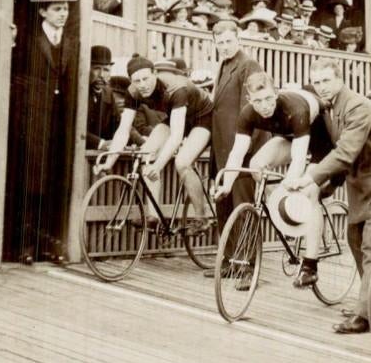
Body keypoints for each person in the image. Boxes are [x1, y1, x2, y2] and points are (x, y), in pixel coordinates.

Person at [284, 58, 371, 334]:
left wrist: (310, 178)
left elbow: (345, 152)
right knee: (355, 239)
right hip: (362, 182)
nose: (322, 87)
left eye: (326, 80)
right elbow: (343, 153)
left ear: (340, 79)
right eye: (317, 82)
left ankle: (364, 316)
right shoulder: (328, 109)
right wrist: (330, 185)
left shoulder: (358, 106)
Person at [217, 74, 333, 289]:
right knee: (256, 164)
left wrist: (291, 188)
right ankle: (281, 212)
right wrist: (227, 184)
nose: (265, 106)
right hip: (291, 137)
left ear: (277, 93)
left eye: (269, 99)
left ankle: (310, 265)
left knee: (309, 192)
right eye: (258, 101)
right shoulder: (248, 113)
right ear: (249, 100)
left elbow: (299, 159)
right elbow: (237, 152)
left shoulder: (295, 107)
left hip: (320, 143)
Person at [95, 55, 216, 233]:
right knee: (146, 154)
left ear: (155, 74)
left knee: (182, 162)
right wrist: (109, 162)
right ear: (131, 81)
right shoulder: (132, 92)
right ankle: (154, 217)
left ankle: (201, 218)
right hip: (175, 117)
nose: (143, 84)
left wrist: (158, 166)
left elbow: (176, 136)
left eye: (146, 78)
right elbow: (123, 129)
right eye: (137, 81)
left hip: (202, 118)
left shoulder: (175, 88)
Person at [9, 0, 80, 264]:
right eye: (57, 9)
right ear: (42, 11)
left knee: (55, 183)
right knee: (31, 182)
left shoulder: (72, 41)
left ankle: (51, 246)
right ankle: (24, 246)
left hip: (60, 125)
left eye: (65, 9)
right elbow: (15, 76)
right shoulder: (27, 38)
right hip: (33, 123)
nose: (63, 14)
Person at [204, 20, 269, 277]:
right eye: (219, 43)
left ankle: (247, 266)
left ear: (238, 39)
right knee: (224, 205)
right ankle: (230, 260)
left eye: (229, 41)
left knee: (243, 206)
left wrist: (246, 151)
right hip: (222, 146)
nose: (224, 47)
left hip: (243, 148)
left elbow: (252, 109)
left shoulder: (249, 65)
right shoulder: (222, 65)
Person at [84, 45, 121, 150]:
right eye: (96, 69)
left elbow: (120, 124)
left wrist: (142, 141)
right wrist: (100, 143)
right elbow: (74, 128)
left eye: (106, 70)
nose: (101, 75)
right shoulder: (78, 92)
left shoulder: (107, 93)